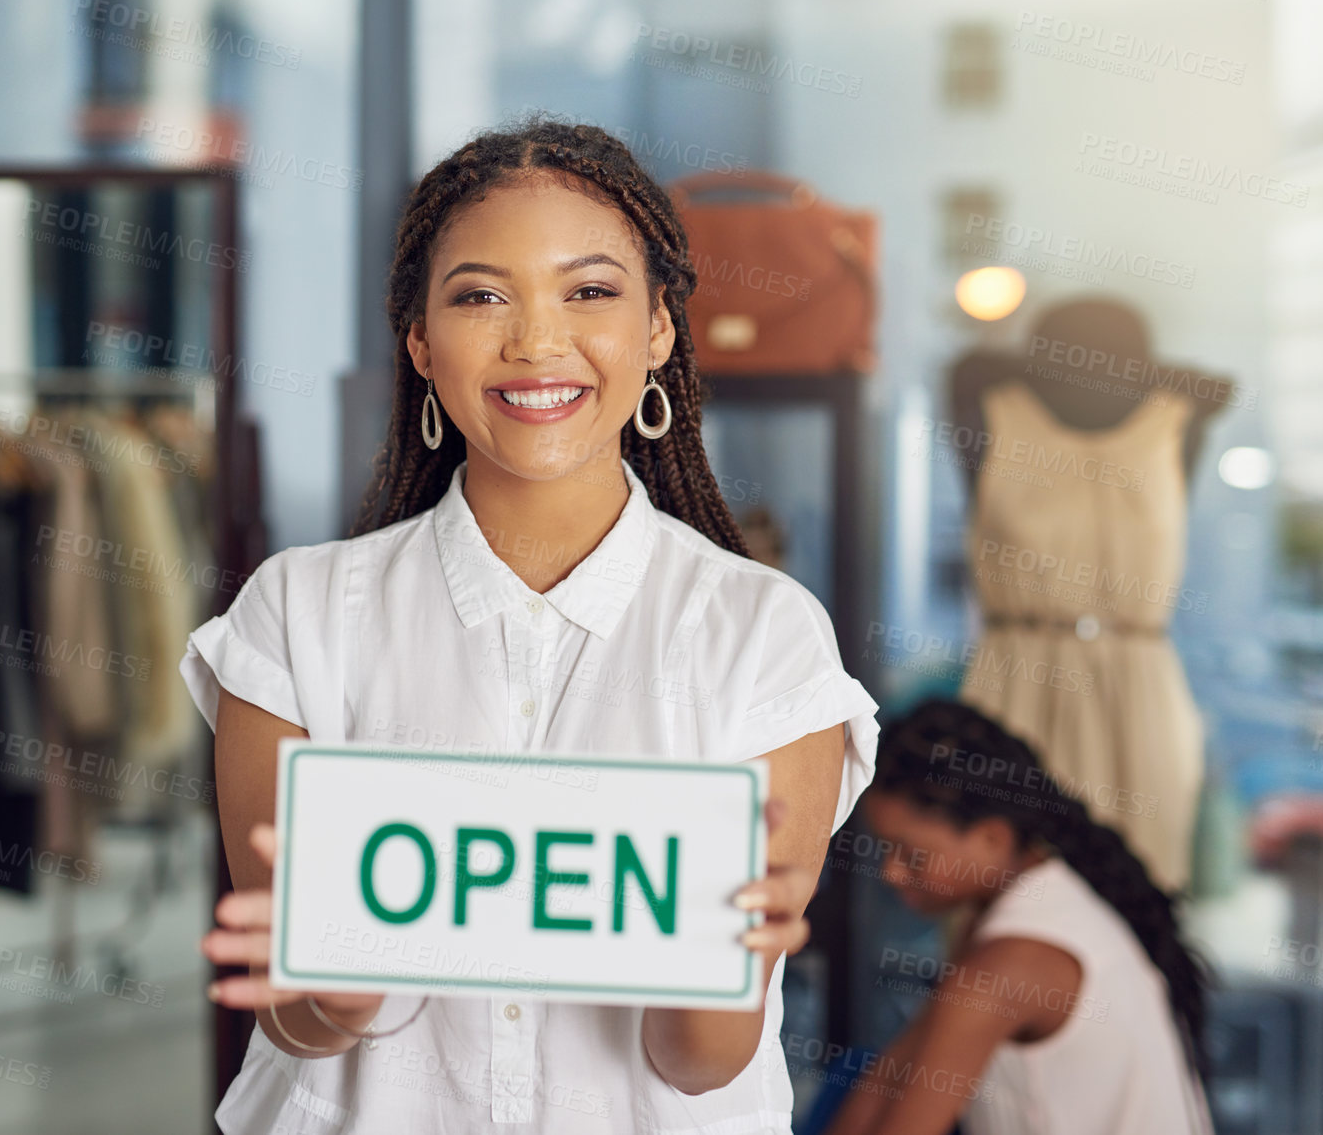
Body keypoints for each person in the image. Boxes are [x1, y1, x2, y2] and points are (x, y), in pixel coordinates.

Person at [178, 116, 881, 1134]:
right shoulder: (296, 616)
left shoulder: (762, 634)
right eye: (480, 296)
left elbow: (699, 1065)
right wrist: (335, 983)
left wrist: (726, 973)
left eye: (589, 291)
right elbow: (298, 1024)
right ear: (420, 339)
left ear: (658, 329)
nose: (537, 341)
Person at [823, 699, 1215, 1135]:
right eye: (884, 850)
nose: (889, 872)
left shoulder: (1012, 961)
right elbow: (890, 1076)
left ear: (992, 837)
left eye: (912, 855)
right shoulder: (1038, 903)